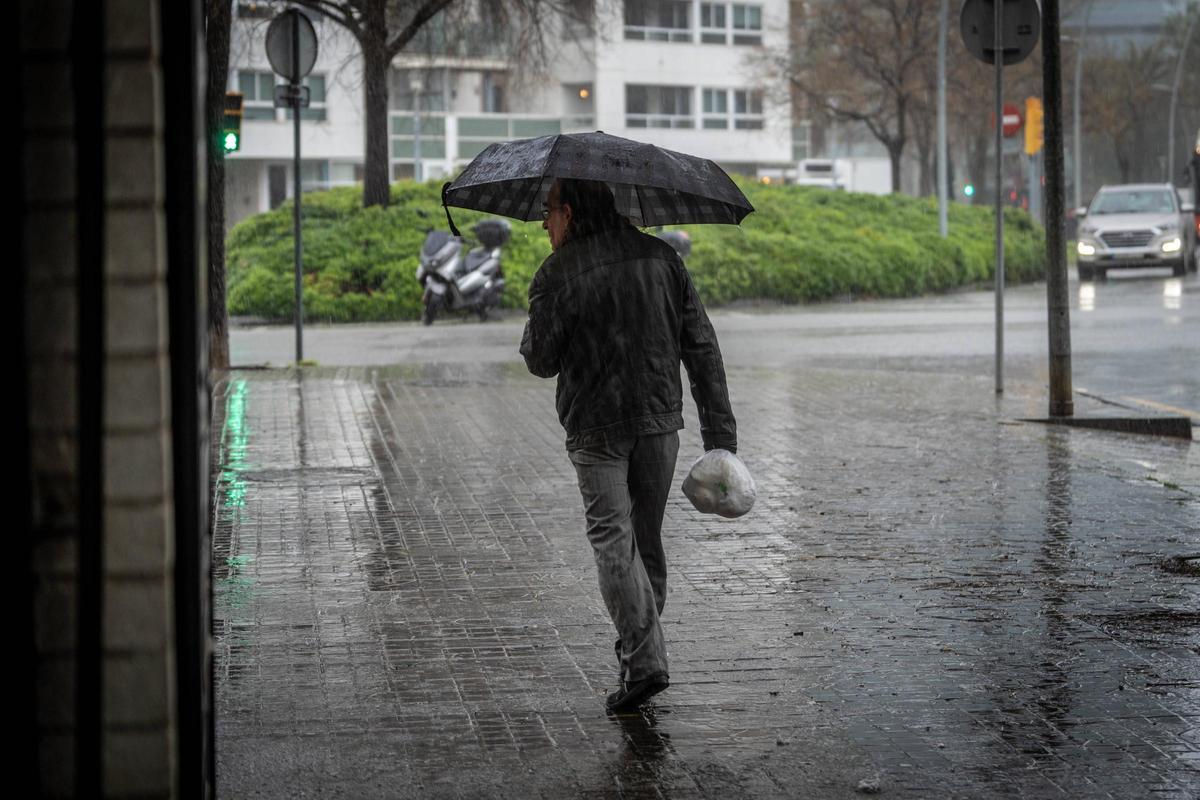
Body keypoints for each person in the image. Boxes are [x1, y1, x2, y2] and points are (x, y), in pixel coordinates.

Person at [519, 178, 737, 712]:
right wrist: (721, 436)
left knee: (614, 543)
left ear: (568, 213)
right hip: (659, 420)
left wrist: (545, 322)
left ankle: (644, 663)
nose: (544, 225)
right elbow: (702, 346)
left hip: (596, 428)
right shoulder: (662, 258)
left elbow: (540, 359)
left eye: (547, 213)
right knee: (644, 541)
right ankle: (639, 659)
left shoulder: (557, 272)